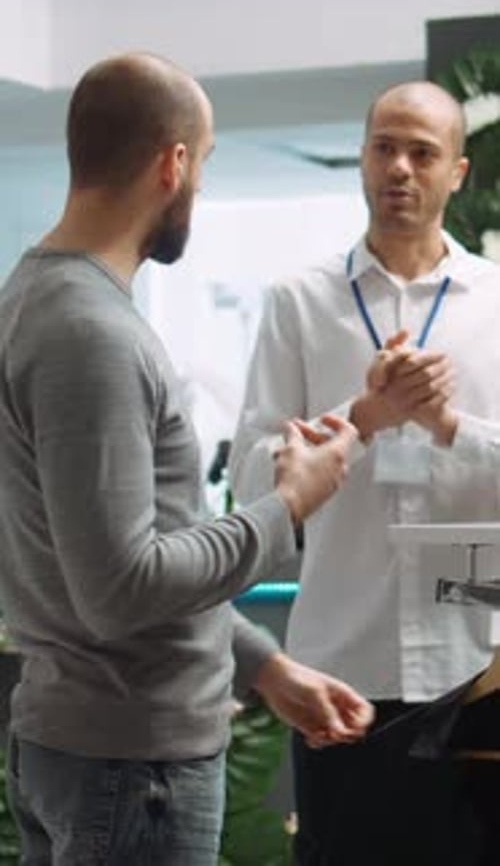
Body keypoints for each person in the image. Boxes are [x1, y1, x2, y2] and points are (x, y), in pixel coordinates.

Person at [0, 53, 373, 866]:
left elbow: (113, 558)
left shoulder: (46, 302)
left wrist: (264, 666)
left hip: (101, 757)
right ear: (172, 163)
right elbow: (121, 588)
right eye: (202, 164)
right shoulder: (89, 334)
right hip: (133, 773)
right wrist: (289, 505)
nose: (198, 187)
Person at [229, 80, 500, 864]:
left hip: (477, 668)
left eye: (423, 152)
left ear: (459, 172)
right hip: (341, 669)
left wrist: (447, 426)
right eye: (385, 146)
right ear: (361, 158)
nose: (401, 168)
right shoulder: (299, 303)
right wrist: (362, 419)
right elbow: (251, 484)